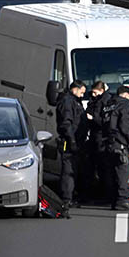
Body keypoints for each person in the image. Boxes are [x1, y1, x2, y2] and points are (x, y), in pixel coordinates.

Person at [56, 80, 88, 208]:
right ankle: (66, 198)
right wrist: (72, 140)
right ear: (75, 89)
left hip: (77, 140)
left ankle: (71, 196)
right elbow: (66, 123)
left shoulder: (74, 101)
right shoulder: (67, 101)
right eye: (81, 92)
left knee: (74, 169)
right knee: (68, 170)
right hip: (69, 141)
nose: (82, 95)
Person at [104, 86, 129, 211]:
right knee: (122, 171)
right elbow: (125, 126)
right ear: (127, 95)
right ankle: (122, 199)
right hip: (120, 142)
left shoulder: (108, 105)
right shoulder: (125, 106)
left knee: (112, 173)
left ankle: (114, 199)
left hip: (108, 142)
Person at [86, 81, 112, 201]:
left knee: (103, 166)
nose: (93, 94)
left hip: (101, 137)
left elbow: (104, 121)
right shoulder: (97, 100)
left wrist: (92, 118)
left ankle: (105, 192)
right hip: (96, 136)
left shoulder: (105, 101)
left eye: (95, 92)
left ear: (101, 91)